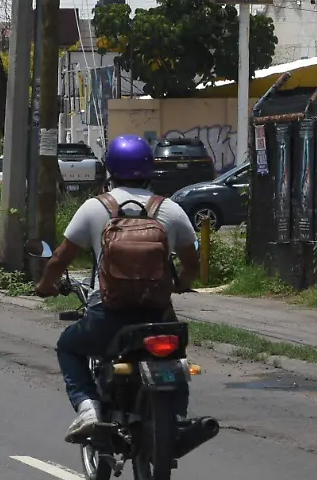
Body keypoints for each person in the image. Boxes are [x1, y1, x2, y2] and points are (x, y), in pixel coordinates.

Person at [35, 134, 199, 444]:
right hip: (157, 313)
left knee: (68, 346)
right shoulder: (171, 210)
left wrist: (46, 285)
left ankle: (88, 408)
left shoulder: (95, 208)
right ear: (150, 169)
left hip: (108, 312)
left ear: (109, 170)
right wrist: (179, 285)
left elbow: (59, 258)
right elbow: (192, 263)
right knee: (175, 359)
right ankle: (176, 419)